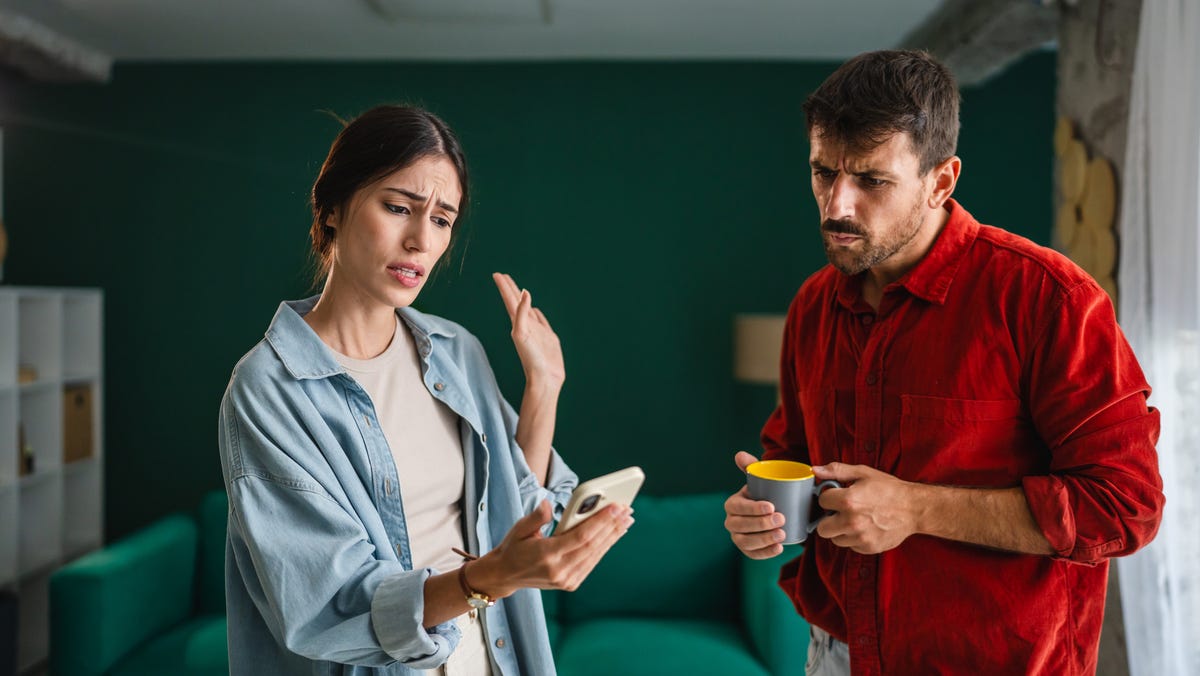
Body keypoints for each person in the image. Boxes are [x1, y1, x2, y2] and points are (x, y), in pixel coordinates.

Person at [722, 50, 1164, 675]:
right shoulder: (813, 306)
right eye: (823, 172)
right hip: (835, 655)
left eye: (872, 180)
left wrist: (917, 508)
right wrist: (760, 515)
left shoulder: (1049, 300)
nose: (836, 205)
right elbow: (792, 455)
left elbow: (1126, 505)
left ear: (941, 181)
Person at [218, 104, 633, 676]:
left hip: (492, 657)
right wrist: (491, 577)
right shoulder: (268, 389)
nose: (420, 240)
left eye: (442, 219)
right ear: (332, 207)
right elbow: (328, 605)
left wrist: (545, 386)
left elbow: (515, 503)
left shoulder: (456, 351)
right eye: (398, 208)